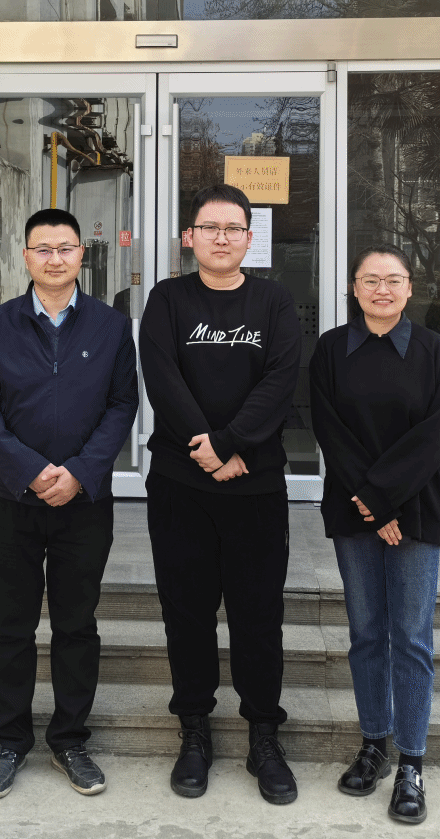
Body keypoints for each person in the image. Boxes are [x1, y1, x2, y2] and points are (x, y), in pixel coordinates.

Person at [0, 208, 138, 800]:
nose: (55, 258)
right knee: (11, 624)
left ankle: (70, 740)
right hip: (11, 498)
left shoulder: (111, 327)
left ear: (81, 254)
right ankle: (10, 741)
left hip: (84, 502)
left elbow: (122, 405)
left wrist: (81, 473)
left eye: (65, 248)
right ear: (26, 256)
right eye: (43, 248)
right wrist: (32, 471)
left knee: (76, 624)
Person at [139, 183, 302, 805]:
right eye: (210, 228)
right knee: (187, 612)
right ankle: (194, 731)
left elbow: (280, 381)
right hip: (180, 484)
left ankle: (264, 735)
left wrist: (232, 445)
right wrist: (207, 450)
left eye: (234, 228)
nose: (222, 238)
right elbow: (163, 379)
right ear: (190, 237)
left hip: (255, 485)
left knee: (258, 614)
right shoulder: (167, 299)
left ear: (250, 238)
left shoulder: (274, 301)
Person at [309, 245, 440, 826]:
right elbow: (329, 429)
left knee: (412, 638)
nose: (381, 290)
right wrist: (372, 503)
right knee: (367, 633)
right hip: (355, 510)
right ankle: (373, 744)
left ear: (409, 288)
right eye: (370, 280)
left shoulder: (433, 350)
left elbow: (433, 437)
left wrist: (385, 500)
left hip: (415, 512)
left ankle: (412, 763)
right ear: (354, 288)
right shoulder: (331, 349)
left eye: (392, 280)